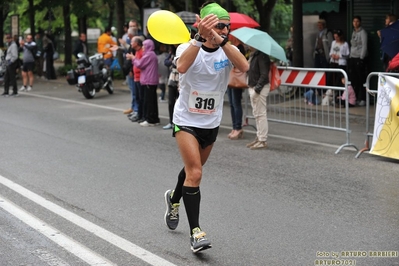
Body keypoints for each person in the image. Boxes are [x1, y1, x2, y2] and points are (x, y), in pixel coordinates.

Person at [163, 1, 249, 253]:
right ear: (201, 24)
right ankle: (196, 233)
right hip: (186, 121)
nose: (221, 29)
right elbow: (181, 67)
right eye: (217, 25)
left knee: (193, 169)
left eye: (225, 26)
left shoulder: (228, 49)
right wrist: (200, 37)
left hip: (210, 123)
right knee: (196, 173)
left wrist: (222, 41)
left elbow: (243, 67)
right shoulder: (187, 47)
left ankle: (173, 198)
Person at [128, 39, 160, 126]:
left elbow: (139, 64)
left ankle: (150, 120)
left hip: (148, 81)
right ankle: (154, 119)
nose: (143, 47)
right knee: (152, 101)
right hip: (151, 80)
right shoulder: (152, 54)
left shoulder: (149, 54)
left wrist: (133, 58)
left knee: (148, 101)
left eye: (144, 46)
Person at [246, 46, 271, 150]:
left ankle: (262, 139)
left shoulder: (261, 56)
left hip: (259, 88)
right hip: (255, 86)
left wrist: (257, 89)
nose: (248, 46)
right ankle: (259, 137)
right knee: (257, 114)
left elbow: (264, 74)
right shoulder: (255, 55)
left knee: (260, 114)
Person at [227, 37, 246, 140]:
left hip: (236, 79)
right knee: (232, 104)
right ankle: (234, 127)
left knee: (236, 103)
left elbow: (238, 62)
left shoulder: (240, 48)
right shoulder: (231, 47)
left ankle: (238, 127)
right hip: (231, 78)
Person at [348, 16, 368, 106]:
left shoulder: (363, 32)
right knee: (353, 79)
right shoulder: (353, 32)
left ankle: (363, 98)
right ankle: (354, 98)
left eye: (357, 21)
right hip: (353, 57)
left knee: (361, 79)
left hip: (359, 58)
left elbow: (364, 45)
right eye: (354, 21)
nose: (355, 23)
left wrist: (361, 58)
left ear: (360, 22)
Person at [163, 44, 179, 130]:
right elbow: (166, 62)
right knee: (171, 101)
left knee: (180, 102)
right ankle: (171, 122)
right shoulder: (171, 52)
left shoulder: (183, 49)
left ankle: (178, 123)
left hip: (181, 78)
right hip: (172, 78)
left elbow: (178, 64)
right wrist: (173, 61)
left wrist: (173, 62)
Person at [129, 36, 145, 123]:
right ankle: (139, 114)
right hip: (136, 77)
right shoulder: (137, 51)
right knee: (137, 97)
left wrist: (133, 58)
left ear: (137, 43)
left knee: (140, 98)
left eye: (132, 42)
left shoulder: (141, 52)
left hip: (140, 78)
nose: (131, 43)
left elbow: (140, 64)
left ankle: (141, 115)